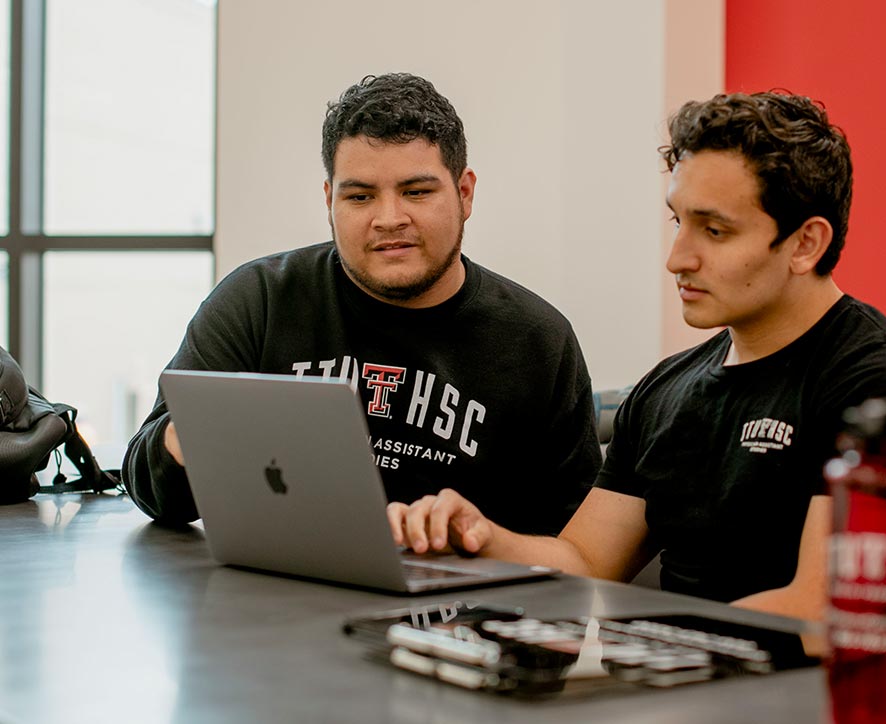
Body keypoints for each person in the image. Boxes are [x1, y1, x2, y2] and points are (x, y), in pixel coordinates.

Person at [387, 90, 886, 620]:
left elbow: (827, 609)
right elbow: (585, 562)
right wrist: (481, 536)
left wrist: (656, 639)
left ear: (805, 243)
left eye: (714, 231)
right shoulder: (666, 391)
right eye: (678, 222)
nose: (678, 258)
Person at [122, 73, 601, 531]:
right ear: (330, 199)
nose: (389, 218)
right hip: (277, 596)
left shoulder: (537, 342)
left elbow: (573, 550)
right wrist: (197, 431)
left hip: (461, 607)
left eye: (416, 192)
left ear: (464, 193)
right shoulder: (260, 301)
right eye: (360, 197)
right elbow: (151, 490)